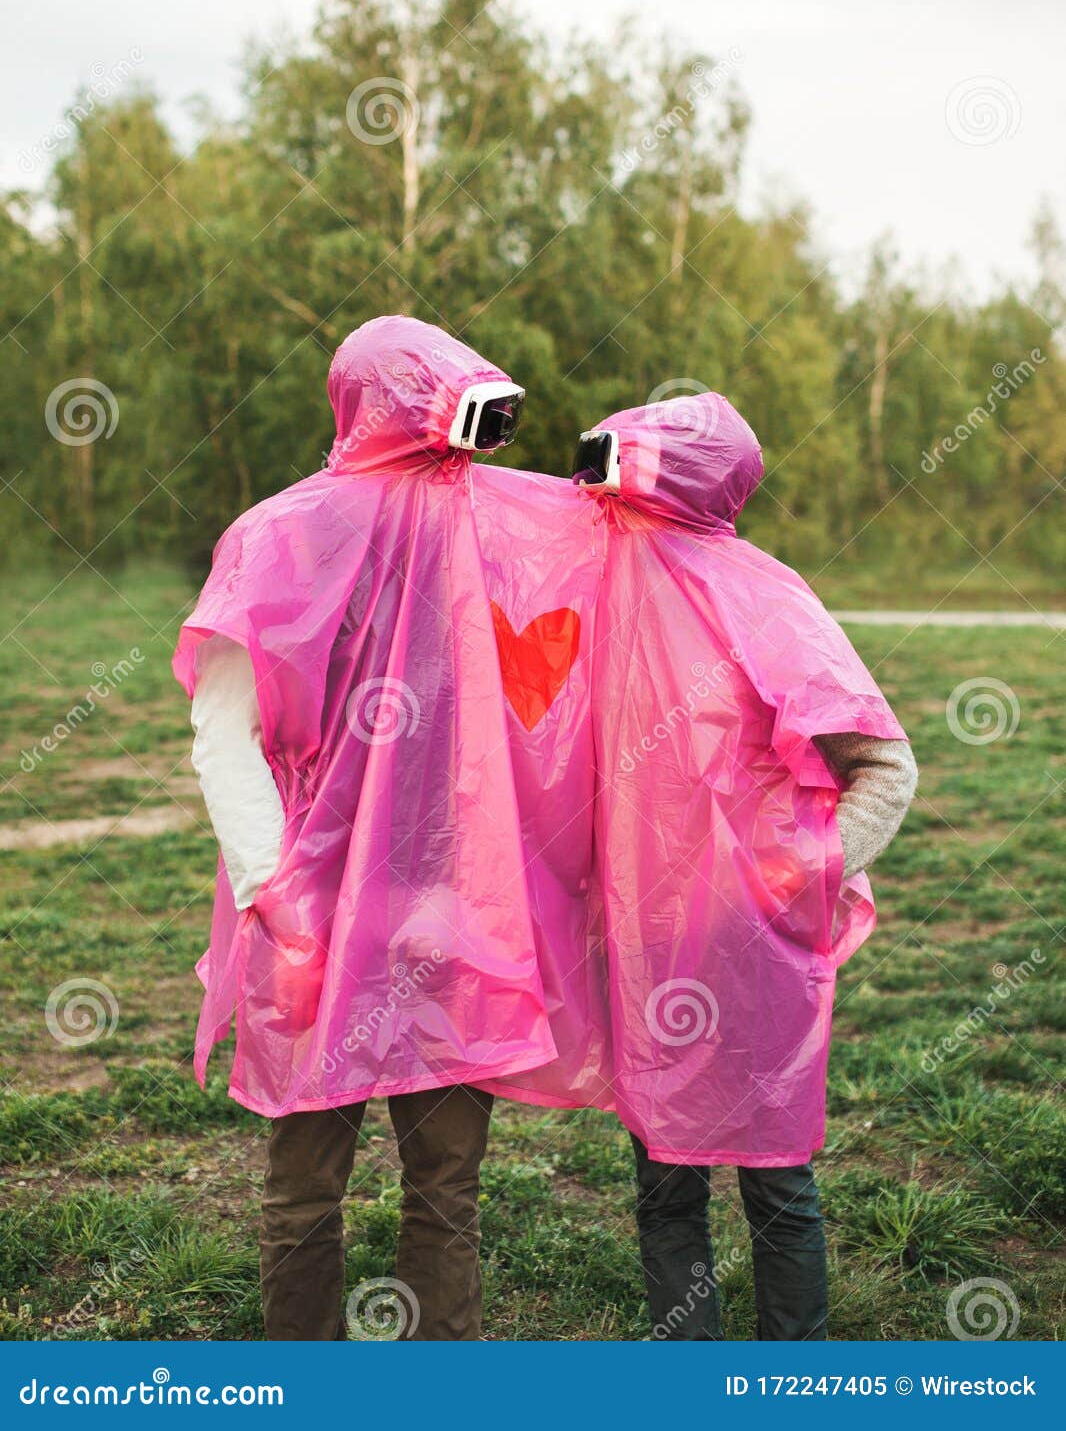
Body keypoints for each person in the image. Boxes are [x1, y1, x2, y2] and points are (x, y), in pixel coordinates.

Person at [174, 316, 555, 1342]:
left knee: (448, 1181)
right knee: (306, 1180)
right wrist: (277, 895)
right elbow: (223, 731)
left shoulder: (489, 523)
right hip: (319, 897)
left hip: (453, 893)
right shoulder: (282, 536)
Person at [569, 393, 917, 1340]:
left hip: (752, 943)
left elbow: (886, 762)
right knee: (663, 1177)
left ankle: (788, 1377)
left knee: (776, 1181)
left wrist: (806, 873)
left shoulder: (765, 597)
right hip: (647, 941)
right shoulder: (601, 578)